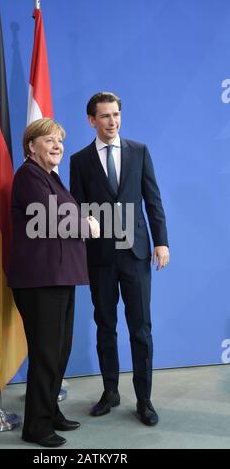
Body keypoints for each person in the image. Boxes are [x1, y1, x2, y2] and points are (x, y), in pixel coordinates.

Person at [70, 92, 169, 426]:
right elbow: (78, 211)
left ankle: (144, 399)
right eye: (105, 116)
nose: (112, 122)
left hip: (137, 253)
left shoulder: (139, 151)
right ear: (91, 120)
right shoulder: (79, 161)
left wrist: (162, 242)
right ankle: (110, 392)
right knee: (106, 326)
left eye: (116, 115)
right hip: (100, 257)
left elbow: (152, 200)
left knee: (140, 329)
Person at [7, 118, 99, 447]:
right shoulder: (29, 176)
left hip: (60, 276)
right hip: (40, 279)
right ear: (31, 147)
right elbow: (50, 219)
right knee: (47, 353)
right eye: (49, 140)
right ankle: (36, 426)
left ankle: (50, 411)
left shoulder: (50, 178)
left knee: (60, 351)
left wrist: (82, 220)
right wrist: (86, 223)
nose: (57, 145)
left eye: (59, 140)